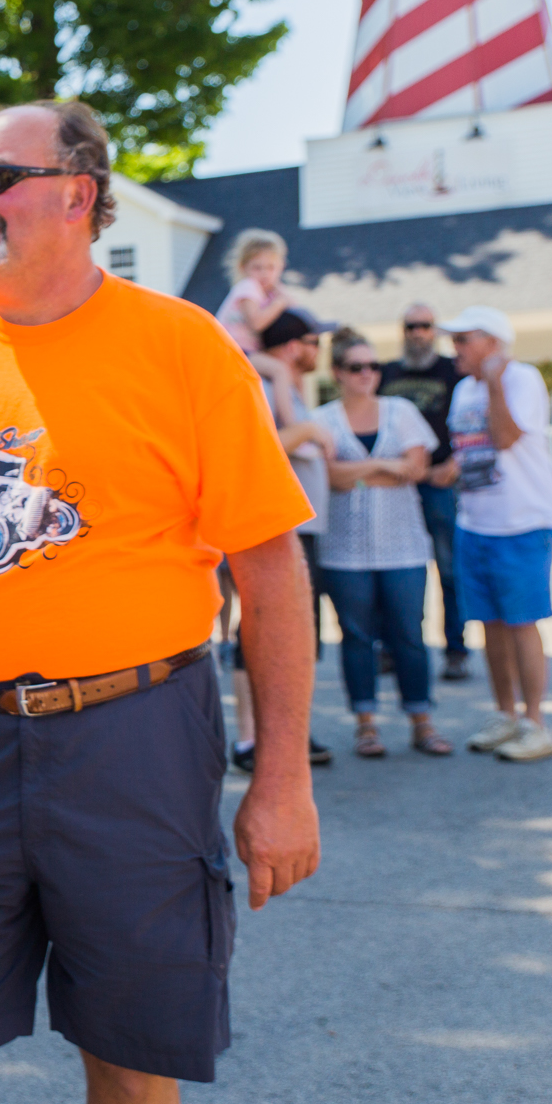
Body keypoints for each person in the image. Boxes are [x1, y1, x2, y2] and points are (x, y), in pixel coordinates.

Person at [0, 101, 320, 1104]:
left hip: (134, 739)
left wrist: (283, 780)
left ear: (78, 193)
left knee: (130, 1055)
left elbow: (271, 572)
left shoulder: (180, 347)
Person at [316, 337, 452, 758]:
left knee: (409, 634)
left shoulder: (402, 412)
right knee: (355, 637)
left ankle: (421, 720)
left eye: (373, 366)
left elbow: (415, 468)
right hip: (344, 551)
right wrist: (379, 466)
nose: (367, 374)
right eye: (357, 367)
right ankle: (366, 724)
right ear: (338, 371)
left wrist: (355, 472)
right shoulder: (322, 419)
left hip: (403, 547)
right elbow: (329, 478)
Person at [441, 305, 552, 762]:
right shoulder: (460, 390)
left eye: (463, 339)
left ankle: (536, 722)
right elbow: (472, 450)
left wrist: (494, 383)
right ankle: (504, 715)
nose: (455, 349)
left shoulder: (521, 378)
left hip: (521, 524)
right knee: (489, 625)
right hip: (475, 524)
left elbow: (507, 437)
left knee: (521, 622)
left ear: (492, 344)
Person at [231, 307, 340, 772]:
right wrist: (311, 430)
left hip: (305, 527)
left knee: (297, 633)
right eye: (315, 341)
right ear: (296, 345)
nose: (319, 351)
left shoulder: (287, 385)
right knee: (266, 631)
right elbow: (261, 442)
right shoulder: (263, 383)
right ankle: (253, 739)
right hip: (281, 528)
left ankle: (283, 735)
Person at [380, 304, 470, 681]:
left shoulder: (453, 372)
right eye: (411, 326)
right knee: (396, 569)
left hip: (440, 485)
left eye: (425, 326)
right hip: (399, 485)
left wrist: (456, 464)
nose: (418, 333)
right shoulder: (385, 373)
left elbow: (471, 424)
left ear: (435, 330)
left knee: (448, 571)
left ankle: (455, 649)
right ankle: (393, 646)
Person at [215, 228, 303, 424]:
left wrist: (278, 289)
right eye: (258, 267)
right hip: (231, 350)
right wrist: (279, 302)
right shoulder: (247, 287)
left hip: (244, 351)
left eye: (271, 267)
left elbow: (296, 310)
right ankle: (292, 425)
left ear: (281, 267)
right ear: (243, 268)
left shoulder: (265, 292)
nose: (264, 273)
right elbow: (256, 323)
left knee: (291, 368)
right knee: (280, 370)